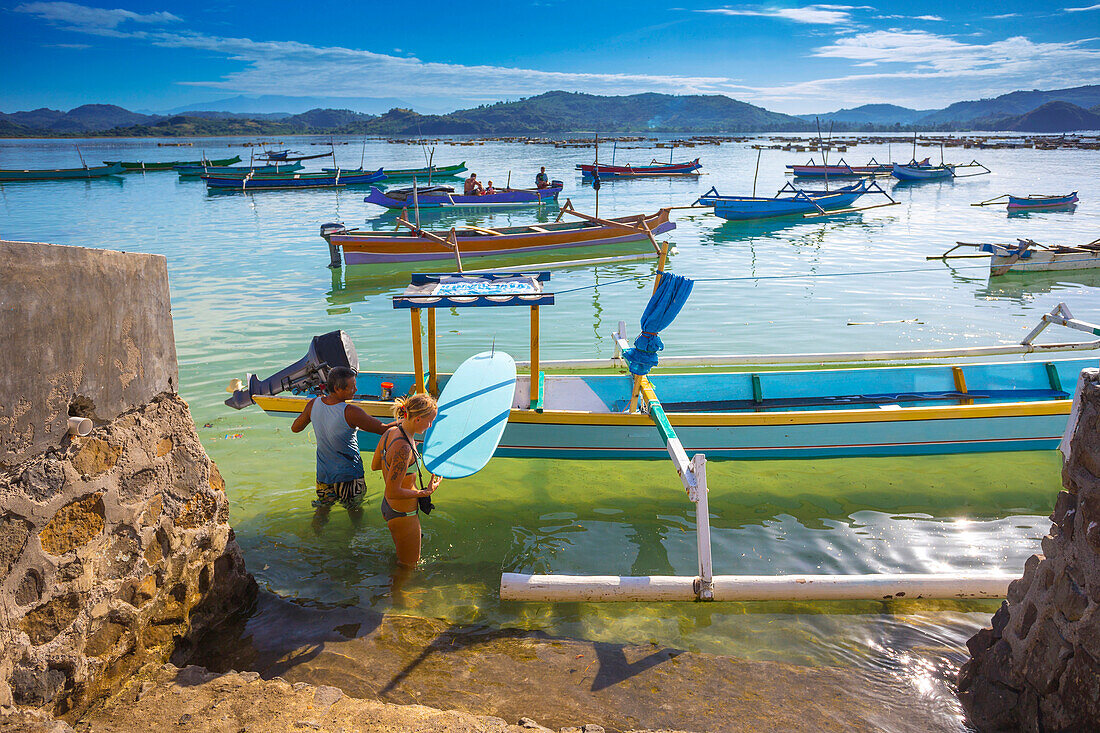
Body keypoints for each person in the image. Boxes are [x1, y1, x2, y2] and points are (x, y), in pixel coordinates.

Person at [291, 366, 389, 528]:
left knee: (322, 511)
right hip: (349, 475)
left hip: (324, 475)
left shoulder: (314, 404)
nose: (356, 389)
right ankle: (356, 542)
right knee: (355, 512)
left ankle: (316, 543)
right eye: (352, 387)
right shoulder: (350, 411)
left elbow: (295, 428)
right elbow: (382, 429)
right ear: (337, 388)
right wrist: (406, 422)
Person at [371, 393, 441, 567]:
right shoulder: (404, 448)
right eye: (429, 421)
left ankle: (392, 590)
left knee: (401, 560)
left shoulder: (391, 432)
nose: (430, 425)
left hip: (389, 507)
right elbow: (393, 491)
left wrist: (402, 465)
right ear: (417, 419)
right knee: (408, 566)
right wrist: (426, 492)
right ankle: (399, 594)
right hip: (404, 514)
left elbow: (375, 465)